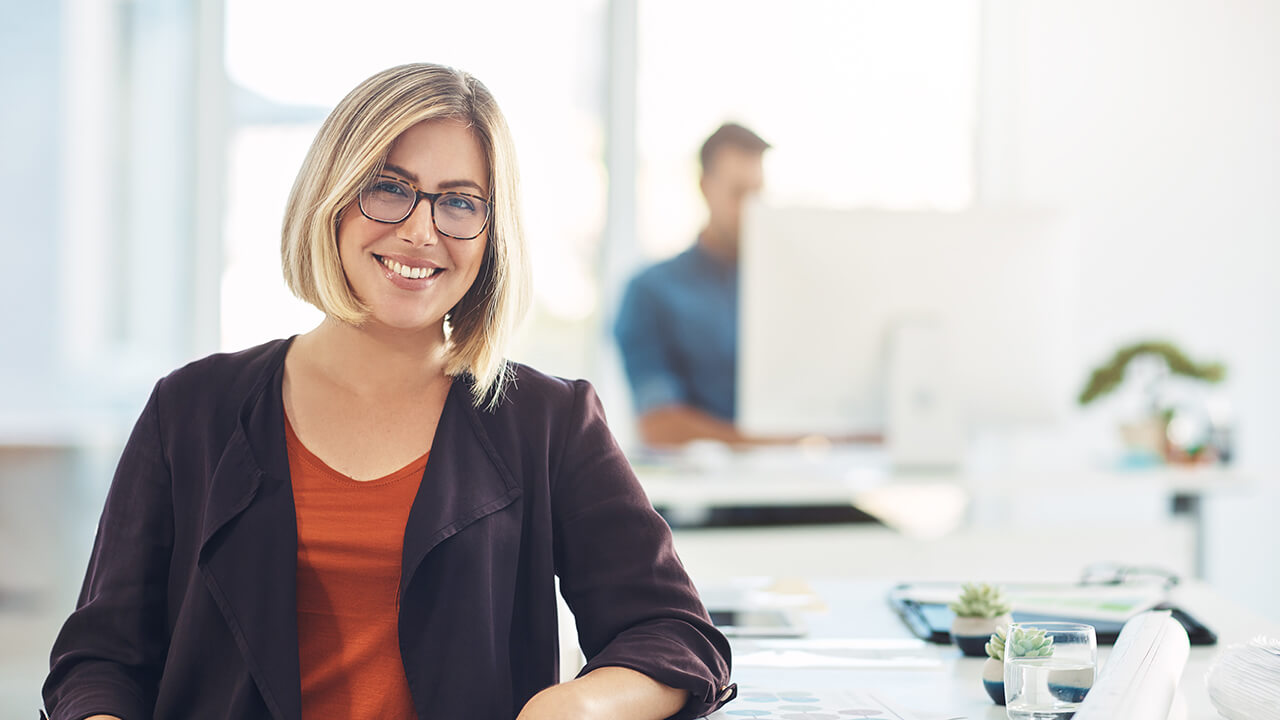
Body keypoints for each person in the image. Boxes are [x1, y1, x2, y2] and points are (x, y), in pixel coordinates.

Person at [42, 63, 734, 720]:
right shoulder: (191, 409)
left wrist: (580, 703)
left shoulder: (548, 421)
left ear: (492, 235)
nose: (421, 229)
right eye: (389, 187)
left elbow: (674, 634)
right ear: (332, 196)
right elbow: (100, 658)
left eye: (460, 202)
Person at [613, 123, 768, 448]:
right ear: (705, 187)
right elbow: (659, 425)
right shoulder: (650, 291)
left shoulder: (784, 293)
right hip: (700, 493)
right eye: (739, 193)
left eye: (758, 194)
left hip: (800, 481)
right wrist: (774, 443)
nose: (751, 209)